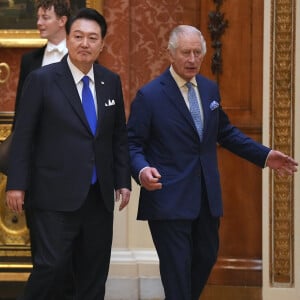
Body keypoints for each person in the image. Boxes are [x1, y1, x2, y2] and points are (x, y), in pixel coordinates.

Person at [127, 25, 298, 300]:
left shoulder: (208, 89)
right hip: (168, 199)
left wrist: (265, 156)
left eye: (197, 53)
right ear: (170, 54)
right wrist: (142, 170)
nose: (192, 59)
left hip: (206, 198)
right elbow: (132, 144)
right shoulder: (150, 96)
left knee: (205, 258)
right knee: (177, 271)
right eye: (185, 53)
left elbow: (225, 132)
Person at [6, 7, 131, 300]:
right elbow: (24, 136)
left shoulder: (110, 80)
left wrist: (123, 180)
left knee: (93, 272)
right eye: (78, 36)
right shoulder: (42, 79)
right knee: (50, 267)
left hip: (98, 197)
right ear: (68, 37)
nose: (84, 43)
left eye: (92, 38)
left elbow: (118, 136)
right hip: (53, 195)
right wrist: (16, 183)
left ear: (102, 44)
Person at [14, 0, 70, 128]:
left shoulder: (80, 58)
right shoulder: (29, 60)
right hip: (37, 139)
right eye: (38, 18)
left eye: (45, 18)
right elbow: (21, 107)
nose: (39, 23)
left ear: (62, 21)